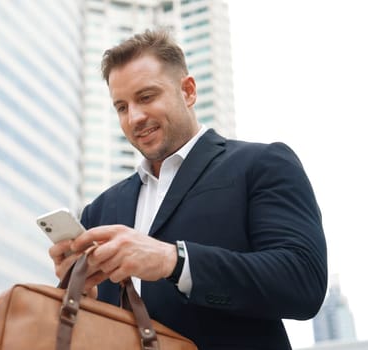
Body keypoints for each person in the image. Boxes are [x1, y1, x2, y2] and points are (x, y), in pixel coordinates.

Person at [49, 29, 327, 350]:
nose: (135, 117)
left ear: (189, 91)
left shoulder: (261, 164)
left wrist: (174, 261)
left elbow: (302, 282)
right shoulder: (100, 209)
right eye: (122, 107)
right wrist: (82, 294)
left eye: (146, 97)